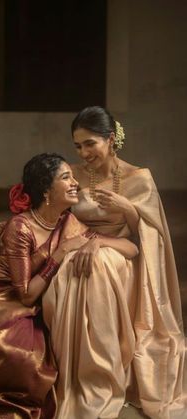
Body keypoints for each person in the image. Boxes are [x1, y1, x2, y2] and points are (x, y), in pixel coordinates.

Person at [0, 153, 138, 418]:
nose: (75, 183)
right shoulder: (20, 227)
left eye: (73, 177)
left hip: (40, 301)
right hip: (4, 299)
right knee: (21, 356)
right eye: (66, 178)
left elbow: (131, 248)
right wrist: (60, 254)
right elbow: (25, 295)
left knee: (45, 358)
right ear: (46, 191)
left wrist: (98, 243)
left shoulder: (68, 223)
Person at [42, 107, 187, 419]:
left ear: (110, 139)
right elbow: (52, 213)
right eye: (78, 146)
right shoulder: (73, 175)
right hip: (78, 245)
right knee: (69, 269)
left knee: (100, 266)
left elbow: (148, 239)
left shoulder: (138, 177)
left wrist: (128, 210)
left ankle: (102, 375)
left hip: (122, 252)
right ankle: (75, 374)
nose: (83, 153)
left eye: (90, 143)